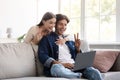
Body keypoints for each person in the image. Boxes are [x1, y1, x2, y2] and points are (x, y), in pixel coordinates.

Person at [38, 14, 103, 80]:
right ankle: (78, 76)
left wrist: (77, 49)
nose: (63, 27)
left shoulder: (68, 40)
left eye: (65, 25)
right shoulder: (47, 38)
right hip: (61, 67)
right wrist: (61, 64)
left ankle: (75, 74)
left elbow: (77, 58)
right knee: (56, 68)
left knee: (95, 72)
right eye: (61, 24)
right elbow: (42, 55)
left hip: (75, 66)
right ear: (55, 25)